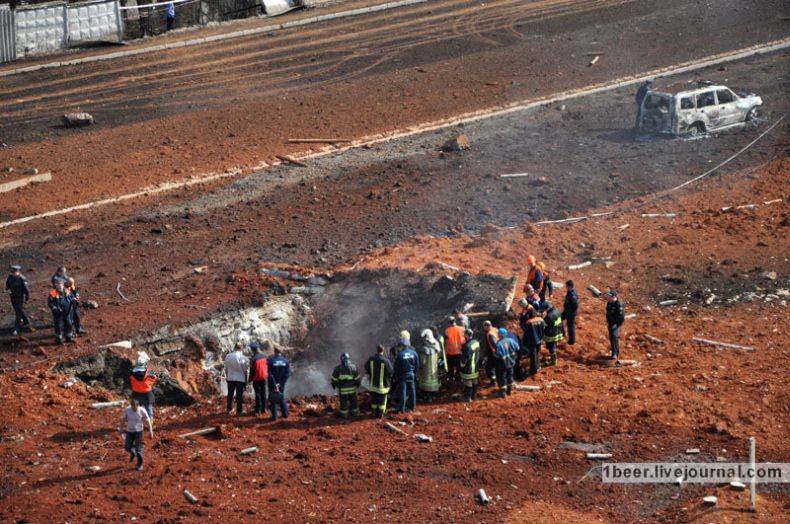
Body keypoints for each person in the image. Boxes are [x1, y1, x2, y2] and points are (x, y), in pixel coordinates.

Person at [119, 397, 154, 471]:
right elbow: (123, 420)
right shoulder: (128, 410)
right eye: (132, 406)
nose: (134, 408)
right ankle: (132, 453)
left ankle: (140, 464)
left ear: (138, 406)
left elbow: (148, 421)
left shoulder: (142, 410)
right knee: (127, 447)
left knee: (138, 449)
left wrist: (150, 431)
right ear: (131, 405)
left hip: (138, 431)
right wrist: (121, 429)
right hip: (129, 431)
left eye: (135, 407)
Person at [392, 334, 419, 413]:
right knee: (412, 390)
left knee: (403, 391)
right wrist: (414, 373)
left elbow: (396, 367)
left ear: (402, 344)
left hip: (402, 376)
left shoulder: (400, 355)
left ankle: (402, 408)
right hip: (411, 375)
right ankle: (412, 407)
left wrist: (396, 376)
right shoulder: (414, 353)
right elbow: (417, 365)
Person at [365, 344, 393, 418]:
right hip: (382, 387)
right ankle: (380, 414)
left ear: (376, 350)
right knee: (382, 401)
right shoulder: (386, 361)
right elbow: (390, 372)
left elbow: (366, 368)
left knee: (374, 400)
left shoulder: (371, 359)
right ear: (383, 351)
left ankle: (374, 413)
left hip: (373, 385)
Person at [331, 353, 362, 419]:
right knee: (354, 402)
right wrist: (357, 385)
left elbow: (333, 379)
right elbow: (358, 379)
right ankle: (355, 413)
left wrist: (334, 386)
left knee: (343, 403)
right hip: (352, 390)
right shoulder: (353, 367)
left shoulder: (337, 368)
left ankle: (344, 415)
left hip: (342, 391)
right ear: (348, 359)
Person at [130, 354, 157, 423]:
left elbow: (131, 379)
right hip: (147, 394)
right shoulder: (148, 376)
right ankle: (150, 424)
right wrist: (151, 374)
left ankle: (136, 422)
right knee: (148, 409)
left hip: (136, 394)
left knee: (136, 409)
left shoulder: (132, 375)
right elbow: (154, 379)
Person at [6, 265, 32, 336]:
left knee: (18, 314)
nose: (13, 273)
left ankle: (16, 328)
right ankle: (26, 321)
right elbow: (7, 285)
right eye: (12, 272)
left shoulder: (22, 279)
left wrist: (27, 299)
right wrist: (8, 290)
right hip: (13, 297)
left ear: (18, 271)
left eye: (15, 272)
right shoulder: (10, 277)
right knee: (18, 310)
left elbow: (27, 290)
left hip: (20, 298)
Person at [223, 342, 248, 416]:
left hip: (230, 377)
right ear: (241, 348)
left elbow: (226, 368)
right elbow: (245, 370)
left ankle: (229, 409)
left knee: (230, 394)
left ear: (235, 347)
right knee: (239, 395)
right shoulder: (242, 357)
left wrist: (227, 377)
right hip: (240, 378)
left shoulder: (228, 356)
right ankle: (239, 411)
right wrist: (246, 379)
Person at [267, 346, 291, 420]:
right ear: (281, 352)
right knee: (281, 397)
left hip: (273, 383)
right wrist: (281, 383)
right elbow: (288, 374)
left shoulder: (271, 361)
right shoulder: (286, 361)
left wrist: (275, 384)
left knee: (273, 399)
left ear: (274, 351)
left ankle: (274, 416)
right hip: (281, 384)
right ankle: (285, 414)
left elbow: (270, 374)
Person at [47, 280, 74, 345]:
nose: (59, 286)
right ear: (55, 286)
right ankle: (59, 340)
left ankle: (69, 337)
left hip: (67, 313)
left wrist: (73, 304)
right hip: (58, 314)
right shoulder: (53, 293)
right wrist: (54, 308)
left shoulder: (67, 291)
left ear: (63, 285)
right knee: (58, 326)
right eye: (57, 285)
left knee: (69, 324)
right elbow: (50, 303)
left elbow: (72, 298)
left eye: (60, 285)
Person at [494, 328, 518, 397]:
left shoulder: (499, 344)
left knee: (502, 377)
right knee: (510, 376)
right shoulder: (511, 340)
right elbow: (517, 348)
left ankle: (503, 392)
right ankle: (509, 390)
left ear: (500, 335)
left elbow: (497, 355)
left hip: (502, 364)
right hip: (511, 362)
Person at [417, 329, 441, 401]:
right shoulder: (436, 344)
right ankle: (434, 394)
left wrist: (419, 366)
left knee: (426, 383)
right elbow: (440, 355)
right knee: (433, 381)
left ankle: (428, 396)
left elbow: (423, 361)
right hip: (434, 368)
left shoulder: (424, 349)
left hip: (426, 370)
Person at [521, 306, 544, 376]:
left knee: (533, 355)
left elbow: (524, 329)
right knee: (537, 353)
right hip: (540, 339)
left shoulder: (528, 322)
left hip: (532, 341)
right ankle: (538, 366)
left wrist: (523, 316)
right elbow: (544, 328)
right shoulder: (541, 320)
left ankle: (533, 370)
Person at [248, 341, 269, 416]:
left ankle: (258, 410)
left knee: (258, 394)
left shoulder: (253, 359)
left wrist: (249, 380)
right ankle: (264, 409)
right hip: (264, 377)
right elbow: (267, 367)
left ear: (252, 350)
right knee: (264, 393)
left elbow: (252, 371)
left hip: (256, 378)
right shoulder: (265, 356)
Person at [460, 329, 480, 401]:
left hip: (468, 368)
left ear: (466, 335)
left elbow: (464, 360)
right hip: (476, 367)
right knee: (474, 382)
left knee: (468, 382)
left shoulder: (467, 346)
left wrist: (461, 367)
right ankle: (473, 396)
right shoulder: (476, 343)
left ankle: (467, 397)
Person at [444, 317, 466, 383]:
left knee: (450, 368)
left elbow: (445, 341)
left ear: (448, 322)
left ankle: (451, 379)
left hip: (450, 352)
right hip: (459, 351)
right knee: (459, 367)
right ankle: (458, 379)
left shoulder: (447, 330)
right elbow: (464, 339)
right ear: (455, 321)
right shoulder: (462, 329)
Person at [606, 290, 625, 359]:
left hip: (617, 323)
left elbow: (621, 318)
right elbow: (607, 313)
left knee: (614, 336)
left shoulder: (619, 304)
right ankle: (613, 351)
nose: (608, 297)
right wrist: (608, 321)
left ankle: (615, 353)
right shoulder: (609, 303)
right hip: (610, 323)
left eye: (609, 296)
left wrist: (616, 324)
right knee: (611, 337)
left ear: (613, 297)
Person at [482, 321, 500, 385]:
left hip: (493, 353)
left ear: (487, 326)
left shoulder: (490, 334)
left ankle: (493, 381)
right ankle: (497, 379)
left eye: (484, 327)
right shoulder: (495, 329)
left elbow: (494, 344)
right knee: (496, 366)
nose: (484, 328)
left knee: (490, 367)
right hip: (498, 352)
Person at [562, 280, 578, 345]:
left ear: (570, 287)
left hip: (570, 313)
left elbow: (575, 306)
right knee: (559, 319)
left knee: (570, 326)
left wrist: (570, 314)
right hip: (566, 311)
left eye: (567, 286)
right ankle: (562, 333)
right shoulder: (569, 292)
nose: (566, 287)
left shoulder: (573, 295)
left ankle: (572, 341)